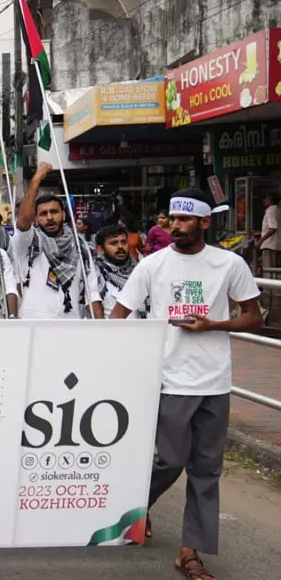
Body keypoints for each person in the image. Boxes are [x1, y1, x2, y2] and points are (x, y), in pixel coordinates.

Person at [112, 188, 262, 580]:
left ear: (204, 222)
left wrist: (215, 325)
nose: (175, 226)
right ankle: (134, 504)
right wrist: (133, 361)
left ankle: (189, 551)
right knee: (171, 460)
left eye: (184, 220)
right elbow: (118, 316)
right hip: (170, 379)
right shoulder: (152, 266)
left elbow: (253, 318)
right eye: (172, 219)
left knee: (206, 469)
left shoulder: (229, 264)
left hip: (215, 382)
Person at [12, 162, 103, 319]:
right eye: (43, 214)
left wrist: (103, 330)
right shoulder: (29, 242)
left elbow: (91, 291)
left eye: (54, 212)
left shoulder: (80, 246)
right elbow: (21, 222)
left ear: (63, 214)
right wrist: (36, 179)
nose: (49, 217)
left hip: (70, 325)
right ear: (36, 218)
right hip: (33, 325)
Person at [94, 224, 144, 319]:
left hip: (140, 330)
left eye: (124, 242)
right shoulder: (95, 275)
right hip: (110, 331)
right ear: (100, 249)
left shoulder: (140, 269)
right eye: (113, 243)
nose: (120, 247)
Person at [260, 191, 279, 272]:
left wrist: (260, 241)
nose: (264, 200)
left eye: (266, 199)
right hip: (277, 245)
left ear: (270, 200)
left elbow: (273, 228)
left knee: (268, 270)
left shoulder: (270, 210)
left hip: (269, 245)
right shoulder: (278, 210)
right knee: (276, 271)